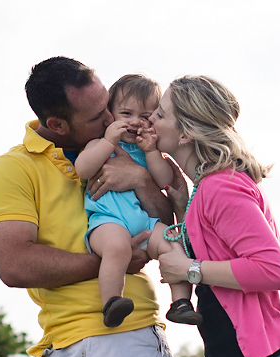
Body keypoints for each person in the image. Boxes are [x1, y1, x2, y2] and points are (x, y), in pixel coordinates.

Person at [0, 56, 186, 357]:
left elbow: (166, 224)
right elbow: (13, 264)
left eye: (107, 104)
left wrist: (140, 179)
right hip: (91, 344)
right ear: (57, 124)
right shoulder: (14, 168)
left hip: (152, 334)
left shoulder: (126, 150)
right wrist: (115, 260)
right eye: (95, 116)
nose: (109, 117)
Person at [148, 75, 280, 357]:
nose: (150, 119)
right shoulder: (208, 187)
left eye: (160, 113)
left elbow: (272, 270)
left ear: (185, 133)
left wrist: (189, 270)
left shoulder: (219, 186)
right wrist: (181, 205)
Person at [75, 74, 202, 327]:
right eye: (126, 114)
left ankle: (180, 303)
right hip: (108, 221)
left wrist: (151, 152)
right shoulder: (99, 144)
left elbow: (164, 180)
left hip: (145, 222)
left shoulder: (148, 149)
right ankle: (112, 301)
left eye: (144, 116)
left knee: (173, 243)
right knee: (117, 249)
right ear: (110, 114)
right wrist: (108, 141)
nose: (134, 122)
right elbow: (83, 169)